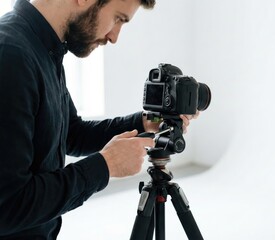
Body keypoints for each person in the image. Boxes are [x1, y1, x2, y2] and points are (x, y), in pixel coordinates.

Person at [0, 0, 198, 238]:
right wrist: (105, 166)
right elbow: (7, 205)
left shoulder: (43, 49)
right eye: (118, 18)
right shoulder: (11, 55)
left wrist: (144, 123)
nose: (114, 37)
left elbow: (71, 133)